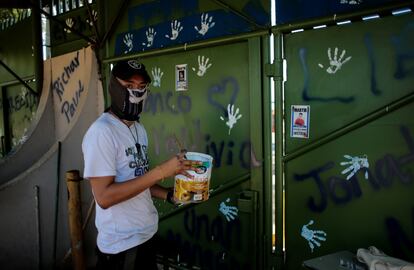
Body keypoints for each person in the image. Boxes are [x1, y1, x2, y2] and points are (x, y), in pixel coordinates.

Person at [82, 59, 200, 270]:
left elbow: (137, 180)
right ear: (115, 87)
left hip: (146, 236)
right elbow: (104, 197)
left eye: (141, 87)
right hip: (121, 247)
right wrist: (162, 171)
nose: (136, 92)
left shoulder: (139, 129)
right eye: (129, 86)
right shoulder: (101, 132)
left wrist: (169, 194)